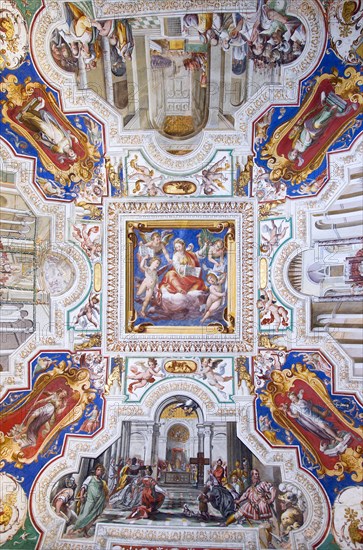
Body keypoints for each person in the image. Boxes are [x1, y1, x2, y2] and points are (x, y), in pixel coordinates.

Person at [72, 464, 108, 537]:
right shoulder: (90, 478)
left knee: (93, 517)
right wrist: (81, 496)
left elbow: (101, 490)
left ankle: (85, 532)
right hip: (90, 500)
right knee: (84, 515)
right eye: (98, 470)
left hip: (98, 501)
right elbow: (83, 487)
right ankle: (75, 529)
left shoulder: (101, 481)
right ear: (95, 471)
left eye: (101, 470)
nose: (99, 471)